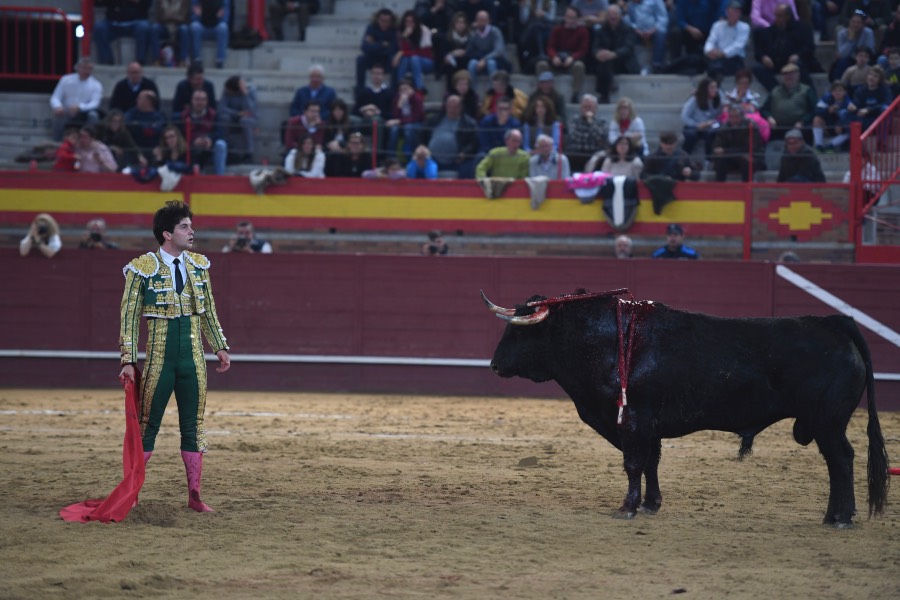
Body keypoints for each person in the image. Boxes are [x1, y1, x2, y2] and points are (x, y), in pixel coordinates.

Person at [118, 200, 231, 513]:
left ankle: (194, 496)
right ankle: (132, 493)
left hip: (193, 361)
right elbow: (128, 316)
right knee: (147, 427)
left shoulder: (199, 266)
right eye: (184, 226)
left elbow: (208, 311)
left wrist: (219, 345)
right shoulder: (142, 269)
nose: (191, 231)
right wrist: (128, 359)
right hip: (159, 361)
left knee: (193, 427)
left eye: (190, 225)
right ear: (167, 234)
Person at [751, 3, 818, 92]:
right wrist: (764, 57)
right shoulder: (769, 31)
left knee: (798, 65)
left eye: (780, 16)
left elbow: (809, 47)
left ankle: (810, 93)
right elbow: (759, 50)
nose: (777, 19)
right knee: (757, 68)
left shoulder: (803, 28)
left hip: (796, 62)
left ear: (788, 16)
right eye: (776, 16)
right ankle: (777, 91)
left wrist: (798, 55)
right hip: (775, 64)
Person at [535, 6, 590, 103]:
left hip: (571, 61)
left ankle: (575, 94)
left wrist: (572, 58)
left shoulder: (583, 31)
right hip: (557, 60)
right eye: (567, 17)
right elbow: (550, 46)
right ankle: (543, 92)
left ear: (577, 19)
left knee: (579, 66)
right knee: (541, 65)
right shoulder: (557, 29)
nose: (569, 20)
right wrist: (554, 57)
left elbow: (583, 50)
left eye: (572, 17)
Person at [421, 95, 479, 178]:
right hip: (432, 159)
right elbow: (422, 135)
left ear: (461, 108)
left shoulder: (469, 124)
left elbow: (474, 143)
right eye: (449, 106)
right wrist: (422, 147)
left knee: (469, 168)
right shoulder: (434, 119)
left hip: (457, 161)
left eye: (455, 107)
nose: (451, 110)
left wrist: (465, 153)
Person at [592, 5, 640, 104]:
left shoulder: (628, 29)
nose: (612, 17)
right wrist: (598, 53)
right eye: (610, 14)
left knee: (606, 62)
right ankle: (604, 94)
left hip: (624, 63)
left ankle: (604, 93)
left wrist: (614, 54)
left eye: (615, 14)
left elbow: (628, 48)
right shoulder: (601, 30)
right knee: (604, 62)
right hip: (606, 62)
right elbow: (594, 47)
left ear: (620, 16)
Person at [49, 57, 103, 142]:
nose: (86, 71)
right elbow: (55, 97)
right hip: (67, 110)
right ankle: (56, 143)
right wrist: (58, 106)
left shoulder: (96, 85)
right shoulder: (66, 79)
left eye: (89, 69)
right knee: (59, 114)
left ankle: (91, 141)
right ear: (78, 68)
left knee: (93, 115)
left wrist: (80, 107)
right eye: (84, 68)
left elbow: (95, 103)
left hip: (84, 112)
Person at [760, 63, 818, 140]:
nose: (789, 77)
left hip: (799, 127)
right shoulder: (775, 91)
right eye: (786, 74)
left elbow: (815, 110)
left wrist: (803, 121)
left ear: (798, 75)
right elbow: (764, 109)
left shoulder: (806, 90)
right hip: (777, 128)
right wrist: (769, 117)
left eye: (792, 74)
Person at [177, 89, 228, 175]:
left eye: (203, 100)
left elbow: (220, 133)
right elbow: (179, 134)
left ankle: (220, 176)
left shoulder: (215, 115)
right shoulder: (182, 116)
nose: (199, 102)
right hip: (189, 146)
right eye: (197, 99)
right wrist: (193, 141)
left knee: (221, 144)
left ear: (207, 101)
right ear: (192, 100)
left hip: (209, 147)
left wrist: (209, 139)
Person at [92, 0, 158, 65]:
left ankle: (140, 60)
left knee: (144, 27)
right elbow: (98, 3)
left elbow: (147, 4)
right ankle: (107, 60)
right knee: (99, 27)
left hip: (136, 22)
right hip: (113, 23)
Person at [712, 104, 767, 181]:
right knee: (721, 161)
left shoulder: (750, 127)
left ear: (742, 116)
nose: (734, 119)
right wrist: (722, 151)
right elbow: (717, 148)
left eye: (736, 116)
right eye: (731, 117)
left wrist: (726, 151)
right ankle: (719, 189)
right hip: (732, 157)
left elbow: (748, 148)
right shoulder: (724, 128)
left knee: (747, 161)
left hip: (750, 156)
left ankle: (746, 190)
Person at [704, 0, 750, 81]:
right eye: (730, 12)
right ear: (726, 12)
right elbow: (711, 40)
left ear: (739, 13)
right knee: (711, 64)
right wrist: (709, 51)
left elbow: (738, 46)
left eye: (735, 12)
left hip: (734, 58)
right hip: (716, 56)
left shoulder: (744, 27)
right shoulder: (717, 25)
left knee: (717, 67)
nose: (732, 15)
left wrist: (723, 53)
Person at [356, 9, 399, 94]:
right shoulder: (371, 28)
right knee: (360, 60)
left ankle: (393, 91)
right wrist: (382, 44)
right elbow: (364, 47)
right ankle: (360, 89)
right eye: (382, 21)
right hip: (373, 58)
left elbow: (393, 49)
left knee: (395, 61)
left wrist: (374, 44)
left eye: (387, 21)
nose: (384, 23)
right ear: (377, 20)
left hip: (386, 60)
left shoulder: (394, 30)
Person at [681, 77, 725, 157]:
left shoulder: (718, 98)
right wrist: (697, 125)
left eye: (716, 87)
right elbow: (684, 116)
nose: (715, 90)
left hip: (709, 125)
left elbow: (723, 108)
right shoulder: (694, 100)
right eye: (712, 87)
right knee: (691, 135)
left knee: (712, 134)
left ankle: (708, 160)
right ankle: (684, 158)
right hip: (695, 125)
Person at [623, 0, 669, 75]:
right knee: (627, 33)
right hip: (638, 32)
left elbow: (663, 18)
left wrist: (652, 30)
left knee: (661, 33)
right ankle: (631, 67)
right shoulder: (631, 5)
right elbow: (630, 21)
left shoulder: (656, 1)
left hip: (655, 30)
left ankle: (656, 65)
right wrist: (637, 30)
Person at [394, 9, 434, 94]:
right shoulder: (401, 33)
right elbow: (405, 52)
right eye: (407, 21)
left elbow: (424, 52)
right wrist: (404, 38)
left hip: (426, 61)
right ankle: (400, 88)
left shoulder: (424, 31)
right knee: (405, 60)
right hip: (409, 61)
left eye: (411, 22)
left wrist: (402, 53)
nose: (409, 24)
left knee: (414, 58)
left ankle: (420, 88)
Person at [219, 75, 258, 164]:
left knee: (245, 120)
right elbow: (222, 108)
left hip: (249, 119)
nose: (227, 92)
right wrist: (237, 113)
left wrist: (245, 94)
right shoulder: (226, 91)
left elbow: (251, 110)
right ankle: (225, 147)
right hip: (233, 117)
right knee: (224, 118)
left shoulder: (251, 90)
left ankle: (249, 153)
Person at [829, 9, 875, 82]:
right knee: (841, 63)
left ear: (863, 24)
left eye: (858, 23)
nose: (855, 24)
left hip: (864, 58)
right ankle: (838, 86)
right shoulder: (842, 33)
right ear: (849, 22)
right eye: (853, 22)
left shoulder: (868, 32)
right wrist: (851, 40)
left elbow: (870, 50)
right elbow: (841, 54)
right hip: (848, 59)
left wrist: (859, 57)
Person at [385, 79, 426, 161]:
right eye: (401, 90)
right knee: (394, 129)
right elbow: (395, 115)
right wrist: (399, 105)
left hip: (416, 123)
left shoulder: (417, 99)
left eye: (406, 89)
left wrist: (399, 121)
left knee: (408, 129)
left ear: (412, 89)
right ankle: (391, 158)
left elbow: (416, 117)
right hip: (403, 123)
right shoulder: (397, 99)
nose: (403, 92)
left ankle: (411, 157)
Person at [567, 94, 608, 173]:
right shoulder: (574, 121)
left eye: (590, 107)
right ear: (581, 108)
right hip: (577, 153)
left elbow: (601, 138)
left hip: (595, 153)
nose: (587, 109)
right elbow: (576, 137)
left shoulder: (602, 122)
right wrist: (591, 135)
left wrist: (590, 123)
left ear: (595, 108)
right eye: (585, 107)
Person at [466, 10, 512, 81]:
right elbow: (469, 51)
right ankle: (471, 90)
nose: (481, 22)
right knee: (472, 63)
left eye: (484, 20)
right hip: (480, 60)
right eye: (479, 19)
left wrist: (485, 59)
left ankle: (493, 89)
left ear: (488, 21)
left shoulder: (495, 31)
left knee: (491, 63)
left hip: (497, 61)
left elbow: (499, 51)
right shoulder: (474, 34)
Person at [847, 64, 892, 132]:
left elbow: (887, 103)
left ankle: (881, 141)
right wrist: (852, 105)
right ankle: (849, 138)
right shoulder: (860, 90)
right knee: (844, 113)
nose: (871, 77)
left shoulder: (885, 89)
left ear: (880, 79)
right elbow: (857, 103)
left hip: (877, 118)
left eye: (875, 76)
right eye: (870, 75)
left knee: (885, 108)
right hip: (863, 117)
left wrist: (869, 110)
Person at [186, 0, 230, 69]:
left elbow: (225, 19)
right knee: (195, 26)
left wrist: (219, 17)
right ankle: (197, 59)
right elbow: (193, 18)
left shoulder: (224, 1)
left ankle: (220, 60)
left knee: (223, 27)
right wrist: (199, 15)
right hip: (202, 28)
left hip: (216, 28)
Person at [125, 89, 167, 161]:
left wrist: (139, 126)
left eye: (140, 98)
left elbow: (158, 130)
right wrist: (147, 128)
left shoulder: (159, 116)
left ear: (148, 101)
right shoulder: (132, 113)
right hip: (135, 147)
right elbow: (128, 125)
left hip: (153, 147)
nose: (136, 100)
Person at [812, 80, 852, 151]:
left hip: (841, 129)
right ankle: (819, 146)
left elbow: (851, 118)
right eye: (835, 90)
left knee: (852, 129)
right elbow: (816, 111)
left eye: (840, 90)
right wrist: (828, 110)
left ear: (845, 92)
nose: (837, 93)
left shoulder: (848, 102)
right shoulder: (826, 98)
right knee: (817, 119)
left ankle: (831, 146)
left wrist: (840, 124)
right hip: (828, 126)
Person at [154, 0, 192, 64]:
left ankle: (182, 60)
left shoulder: (184, 1)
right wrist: (174, 16)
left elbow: (184, 17)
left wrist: (168, 16)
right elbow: (158, 17)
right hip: (164, 26)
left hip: (178, 25)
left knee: (184, 29)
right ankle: (156, 59)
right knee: (155, 28)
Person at [441, 11, 473, 85]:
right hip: (452, 62)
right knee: (450, 65)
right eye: (458, 22)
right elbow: (444, 53)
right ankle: (450, 91)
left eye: (462, 22)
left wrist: (464, 52)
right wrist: (453, 53)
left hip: (465, 60)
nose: (460, 25)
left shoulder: (471, 36)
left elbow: (473, 51)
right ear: (454, 24)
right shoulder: (448, 37)